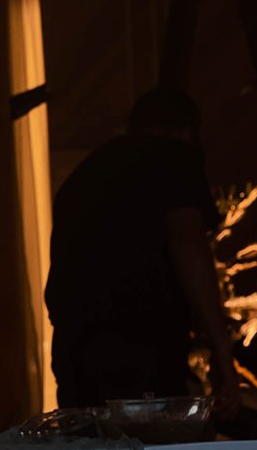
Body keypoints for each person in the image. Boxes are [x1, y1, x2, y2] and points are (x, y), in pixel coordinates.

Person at [45, 87, 241, 417]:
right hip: (141, 352)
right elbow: (188, 244)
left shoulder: (85, 175)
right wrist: (222, 349)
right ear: (185, 134)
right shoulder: (171, 158)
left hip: (74, 351)